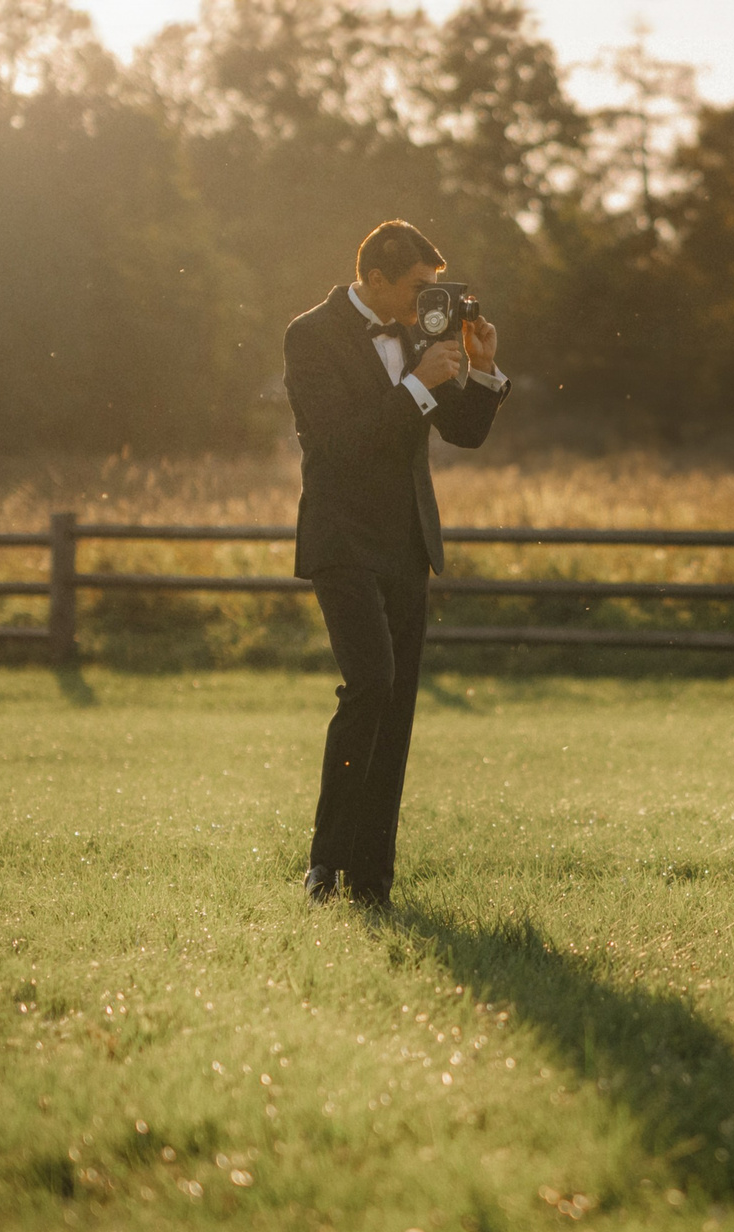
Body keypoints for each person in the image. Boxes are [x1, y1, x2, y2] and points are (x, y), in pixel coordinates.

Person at [286, 220, 508, 909]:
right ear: (375, 277)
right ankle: (326, 863)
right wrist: (415, 384)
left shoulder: (420, 330)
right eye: (417, 287)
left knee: (399, 706)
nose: (428, 299)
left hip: (408, 544)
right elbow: (338, 445)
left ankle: (371, 879)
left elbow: (462, 433)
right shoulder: (310, 335)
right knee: (371, 685)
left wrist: (483, 368)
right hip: (343, 541)